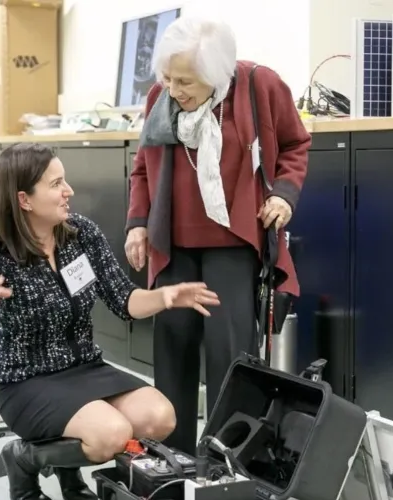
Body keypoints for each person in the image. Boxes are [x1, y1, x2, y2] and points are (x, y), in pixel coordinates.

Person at [0, 142, 220, 500]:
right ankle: (23, 459)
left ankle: (67, 472)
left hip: (84, 368)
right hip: (27, 382)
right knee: (111, 433)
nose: (68, 191)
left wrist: (164, 297)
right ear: (24, 200)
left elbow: (123, 299)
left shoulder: (80, 234)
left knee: (161, 416)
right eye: (56, 183)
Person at [125, 17, 311, 455]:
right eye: (168, 77)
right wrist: (137, 222)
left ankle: (227, 465)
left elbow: (294, 144)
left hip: (234, 244)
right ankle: (172, 462)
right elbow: (142, 169)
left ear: (216, 73)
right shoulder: (160, 97)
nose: (174, 90)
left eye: (186, 81)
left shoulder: (258, 86)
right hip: (172, 248)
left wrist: (283, 195)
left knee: (231, 361)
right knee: (172, 359)